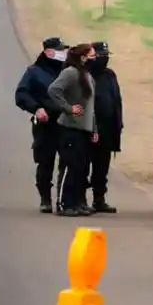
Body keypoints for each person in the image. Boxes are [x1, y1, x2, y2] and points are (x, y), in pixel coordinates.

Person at [14, 37, 69, 213]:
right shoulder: (34, 72)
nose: (62, 53)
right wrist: (36, 108)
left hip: (66, 123)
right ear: (47, 52)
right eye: (58, 50)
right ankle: (45, 199)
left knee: (68, 161)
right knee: (45, 162)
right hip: (46, 124)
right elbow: (21, 94)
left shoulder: (67, 71)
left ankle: (65, 199)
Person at [47, 44, 100, 217]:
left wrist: (94, 128)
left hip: (84, 128)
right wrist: (68, 108)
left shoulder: (87, 75)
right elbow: (54, 90)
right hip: (70, 128)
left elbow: (91, 106)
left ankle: (77, 202)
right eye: (92, 56)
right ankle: (64, 203)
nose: (95, 58)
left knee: (81, 168)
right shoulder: (70, 73)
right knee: (70, 166)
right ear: (83, 57)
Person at [86, 41, 123, 214]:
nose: (105, 58)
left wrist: (118, 124)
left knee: (102, 168)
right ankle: (79, 200)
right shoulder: (84, 73)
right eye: (101, 55)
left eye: (107, 55)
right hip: (88, 128)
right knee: (83, 165)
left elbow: (116, 100)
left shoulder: (110, 75)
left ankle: (99, 199)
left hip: (108, 129)